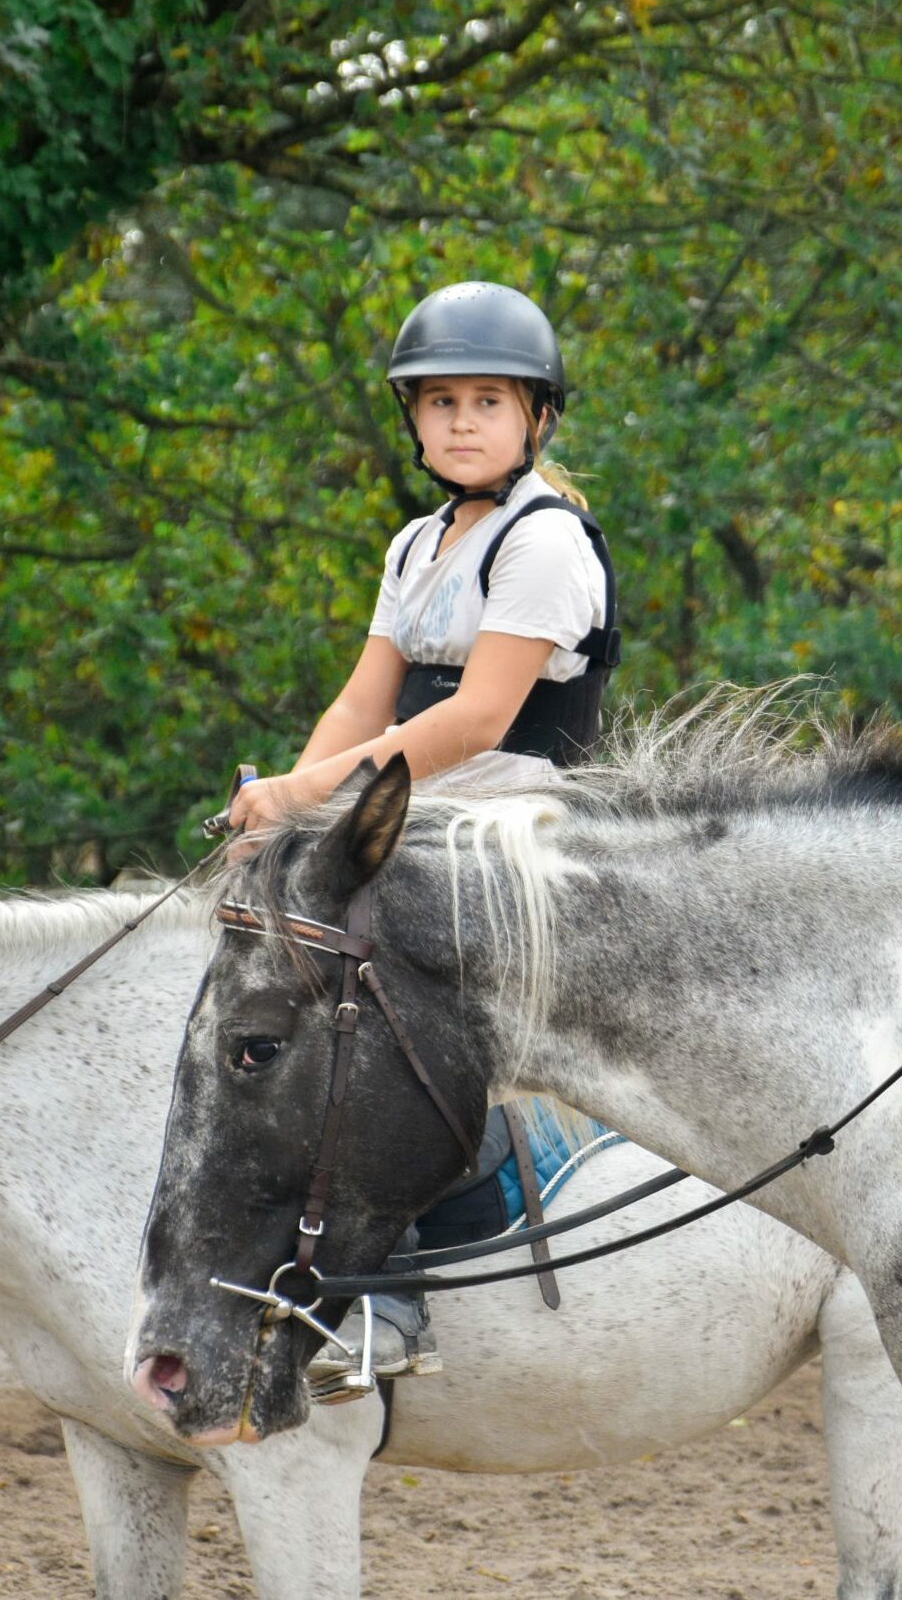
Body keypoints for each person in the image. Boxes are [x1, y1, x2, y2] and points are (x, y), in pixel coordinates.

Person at [212, 280, 621, 1394]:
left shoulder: (545, 548)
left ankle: (393, 1299)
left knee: (375, 1018)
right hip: (415, 825)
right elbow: (364, 705)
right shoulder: (416, 544)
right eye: (437, 403)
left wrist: (307, 797)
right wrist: (289, 817)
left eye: (486, 401)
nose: (459, 423)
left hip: (514, 838)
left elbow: (472, 721)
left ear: (537, 416)